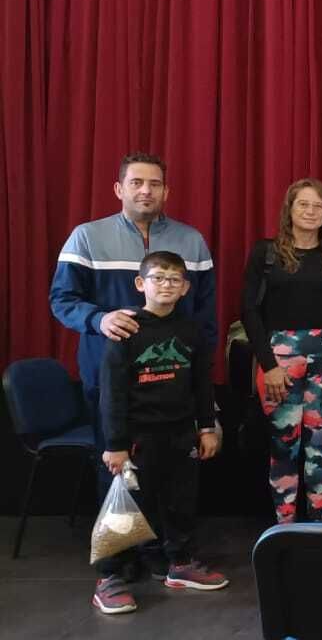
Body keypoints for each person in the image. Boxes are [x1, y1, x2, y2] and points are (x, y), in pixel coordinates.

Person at [51, 152, 218, 500]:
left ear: (166, 192)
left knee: (172, 472)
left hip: (173, 381)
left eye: (154, 184)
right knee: (115, 463)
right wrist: (99, 319)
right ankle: (123, 548)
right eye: (136, 183)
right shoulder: (86, 237)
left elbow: (204, 314)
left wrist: (203, 371)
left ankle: (168, 546)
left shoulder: (192, 241)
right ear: (118, 188)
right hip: (108, 377)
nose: (146, 191)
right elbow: (62, 300)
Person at [93, 251, 229, 614]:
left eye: (174, 280)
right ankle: (109, 577)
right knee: (127, 509)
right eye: (158, 278)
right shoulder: (126, 329)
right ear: (141, 284)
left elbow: (202, 385)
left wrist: (206, 428)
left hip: (182, 433)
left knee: (180, 501)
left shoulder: (191, 331)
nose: (166, 285)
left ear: (185, 287)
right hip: (138, 437)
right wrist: (116, 445)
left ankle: (180, 564)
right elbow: (112, 393)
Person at [241, 178, 322, 524]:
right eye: (303, 204)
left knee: (319, 445)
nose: (310, 211)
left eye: (318, 206)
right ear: (289, 210)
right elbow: (249, 311)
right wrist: (268, 364)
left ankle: (318, 524)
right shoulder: (267, 252)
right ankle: (286, 526)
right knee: (284, 444)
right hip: (279, 360)